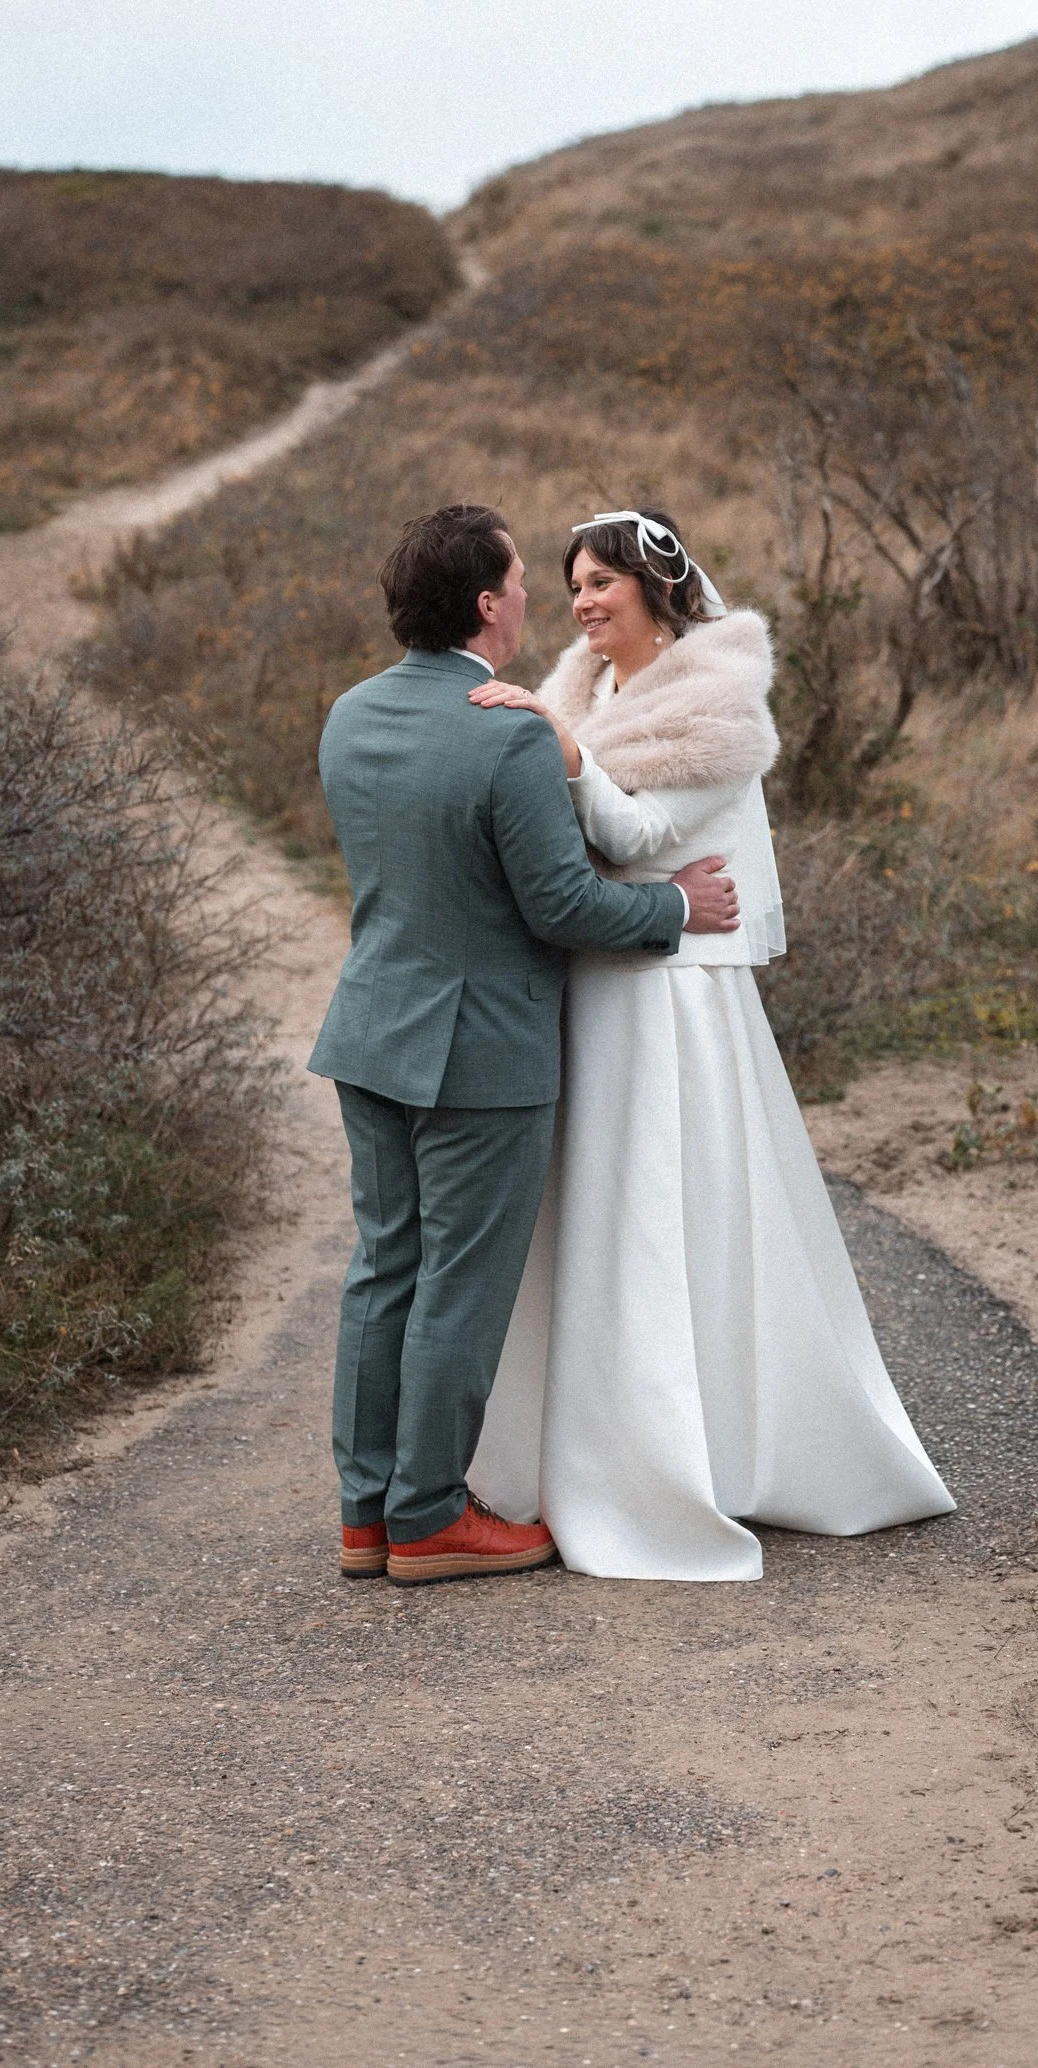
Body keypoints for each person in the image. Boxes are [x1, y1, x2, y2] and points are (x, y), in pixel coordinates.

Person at [466, 508, 954, 1580]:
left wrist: (559, 756)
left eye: (603, 583)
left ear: (657, 586)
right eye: (574, 585)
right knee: (591, 1205)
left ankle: (700, 1452)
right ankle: (561, 1447)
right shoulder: (578, 692)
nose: (585, 602)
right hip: (599, 976)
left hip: (671, 994)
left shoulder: (714, 702)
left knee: (666, 1205)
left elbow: (640, 835)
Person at [308, 505, 742, 1587]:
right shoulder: (503, 730)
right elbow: (560, 905)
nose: (533, 598)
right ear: (488, 603)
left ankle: (365, 1515)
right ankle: (426, 1519)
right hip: (480, 1053)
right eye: (518, 580)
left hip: (368, 1034)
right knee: (458, 1283)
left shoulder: (349, 716)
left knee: (381, 1273)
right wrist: (676, 908)